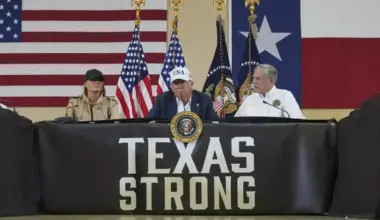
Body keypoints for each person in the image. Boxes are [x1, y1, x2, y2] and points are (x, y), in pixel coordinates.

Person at [235, 64, 305, 119]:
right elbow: (236, 123)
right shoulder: (250, 99)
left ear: (270, 80)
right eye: (253, 78)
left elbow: (298, 122)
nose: (254, 82)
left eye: (258, 79)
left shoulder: (285, 96)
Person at [148, 67, 217, 120]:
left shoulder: (204, 99)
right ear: (171, 87)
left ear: (191, 84)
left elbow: (214, 123)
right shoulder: (162, 99)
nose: (179, 86)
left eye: (182, 82)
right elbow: (150, 122)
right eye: (175, 83)